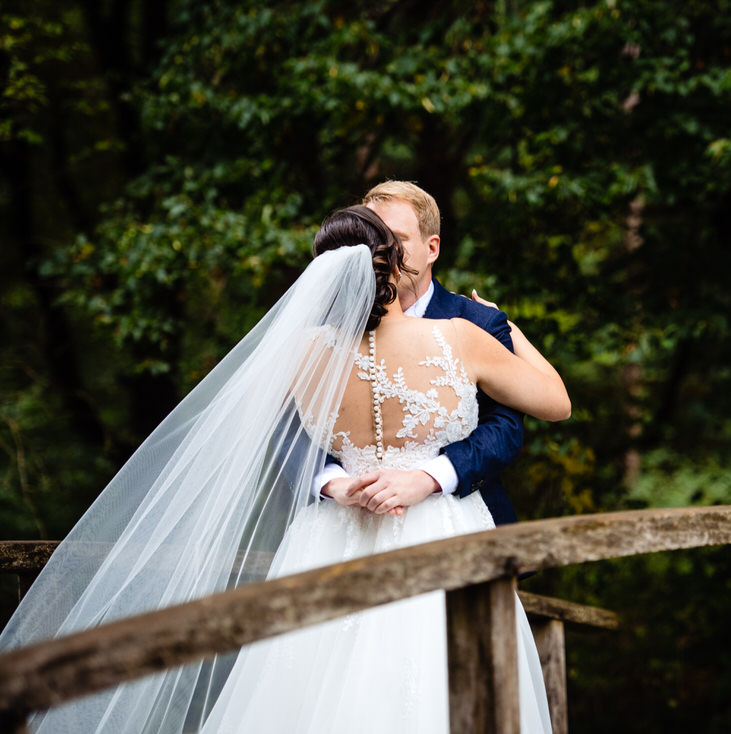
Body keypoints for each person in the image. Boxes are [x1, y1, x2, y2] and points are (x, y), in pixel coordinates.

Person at [0, 205, 568, 733]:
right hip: (439, 533)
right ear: (397, 263)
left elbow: (263, 436)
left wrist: (336, 483)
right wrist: (505, 325)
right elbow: (554, 403)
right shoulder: (460, 338)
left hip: (331, 537)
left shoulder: (300, 353)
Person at [310, 180, 525, 527]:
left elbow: (504, 426)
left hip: (459, 522)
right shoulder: (326, 331)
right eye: (372, 238)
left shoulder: (475, 321)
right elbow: (288, 433)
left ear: (432, 248)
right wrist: (332, 484)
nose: (381, 250)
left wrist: (430, 477)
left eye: (395, 239)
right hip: (343, 524)